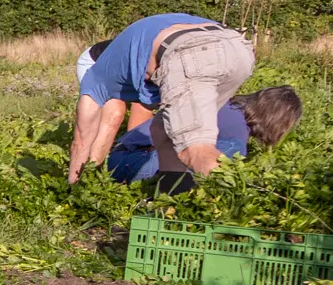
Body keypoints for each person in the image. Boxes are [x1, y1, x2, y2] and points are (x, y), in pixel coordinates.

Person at [70, 14, 256, 186]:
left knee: (194, 147)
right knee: (161, 129)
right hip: (238, 48)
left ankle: (237, 202)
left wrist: (75, 187)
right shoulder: (128, 58)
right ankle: (169, 202)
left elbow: (81, 141)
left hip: (190, 51)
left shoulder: (94, 81)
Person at [106, 86, 302, 184]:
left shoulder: (228, 106)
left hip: (121, 156)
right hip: (133, 163)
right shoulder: (237, 136)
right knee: (228, 157)